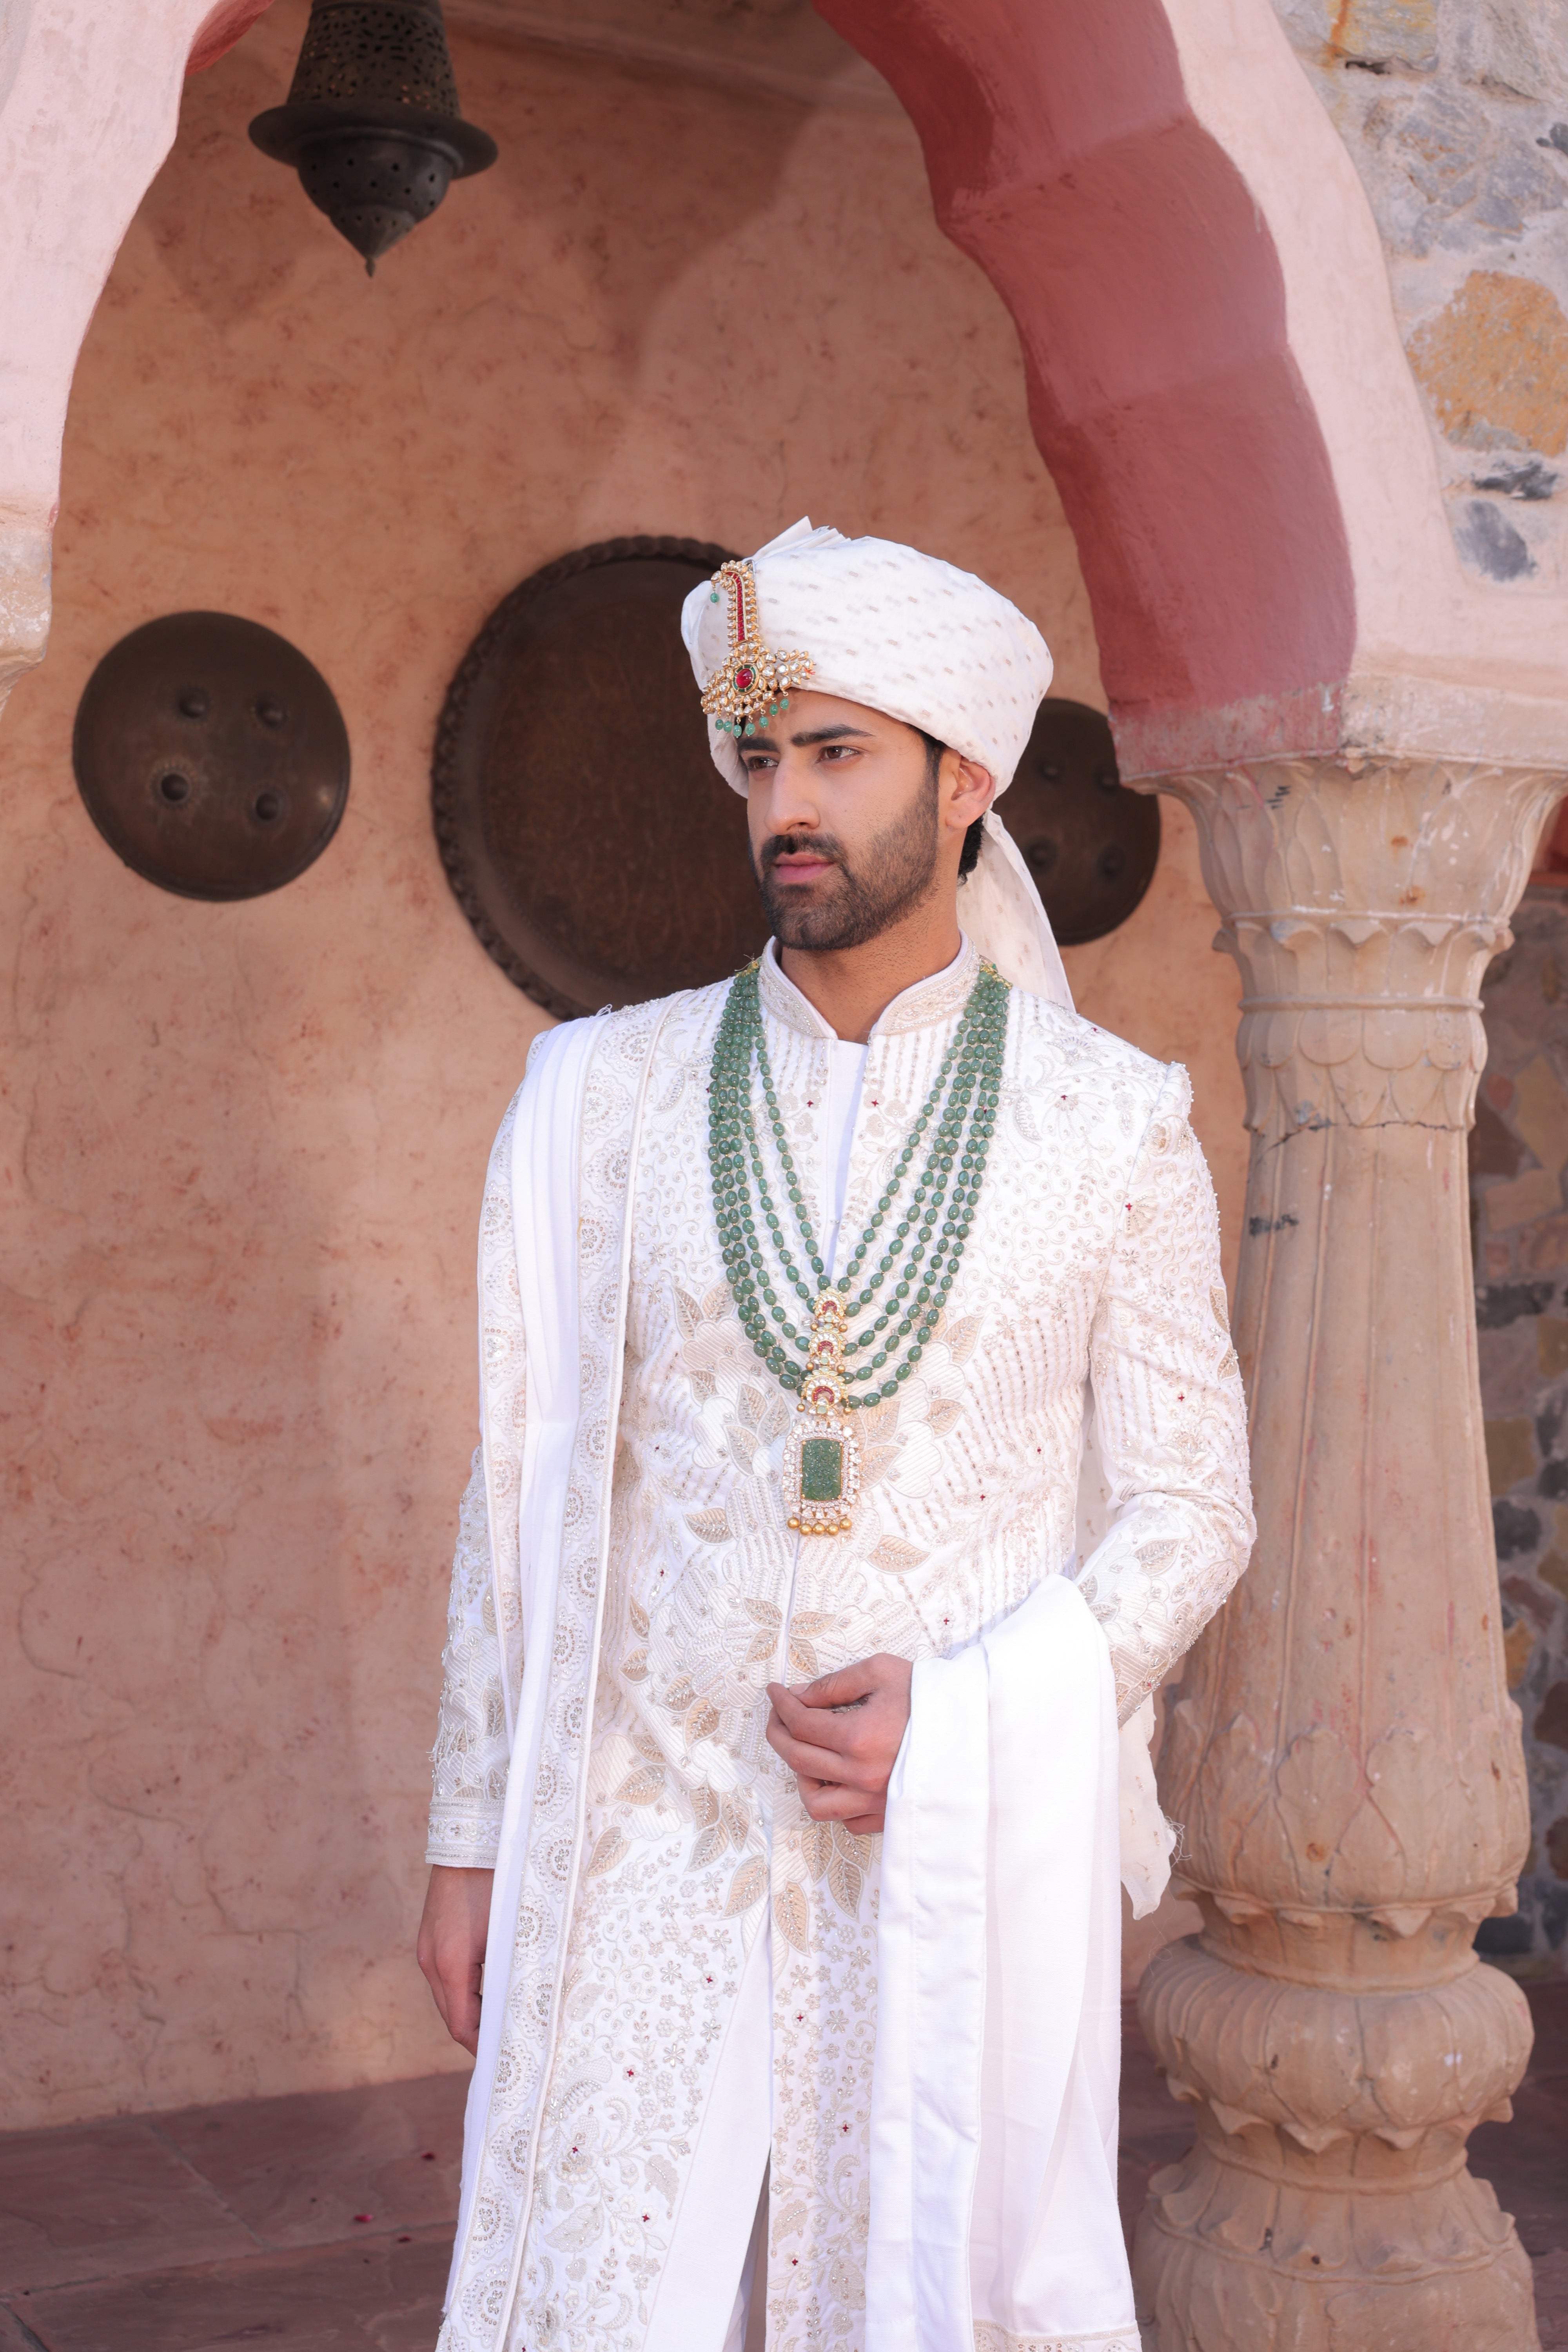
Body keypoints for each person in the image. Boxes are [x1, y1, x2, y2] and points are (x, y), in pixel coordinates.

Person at [417, 520, 1254, 2352]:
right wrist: (472, 1839)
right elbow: (528, 1485)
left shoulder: (1112, 1125)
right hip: (643, 1831)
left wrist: (964, 1722)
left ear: (963, 781)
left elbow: (1193, 1507)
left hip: (950, 1853)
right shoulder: (602, 1096)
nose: (783, 804)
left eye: (836, 753)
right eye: (758, 758)